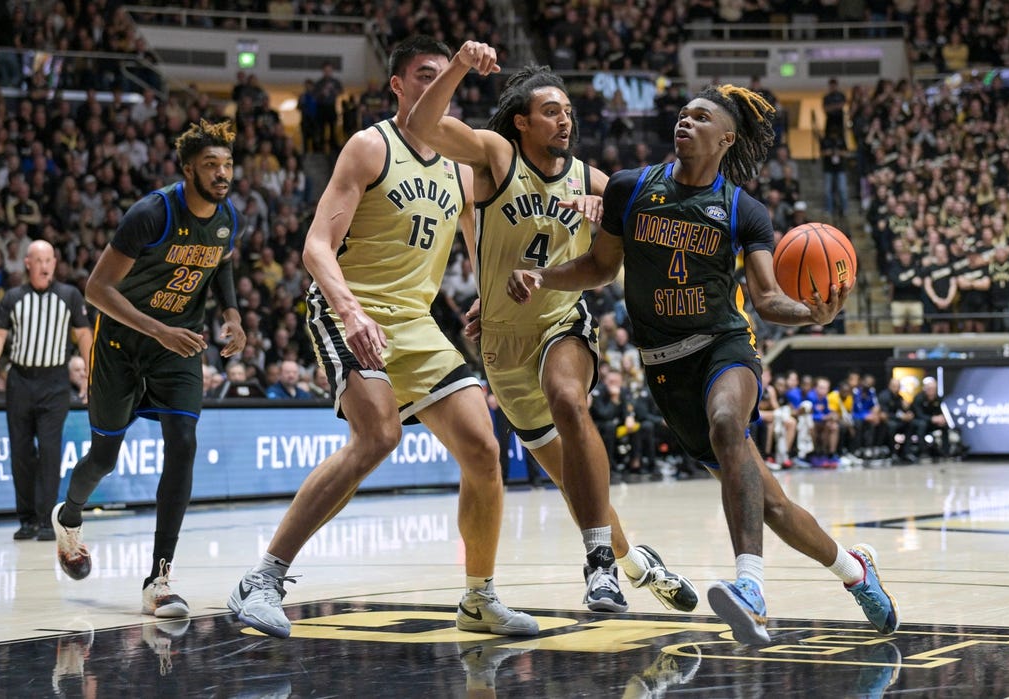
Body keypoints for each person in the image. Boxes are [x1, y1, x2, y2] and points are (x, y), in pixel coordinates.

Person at [507, 82, 899, 644]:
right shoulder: (630, 188)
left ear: (726, 137)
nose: (685, 122)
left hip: (724, 347)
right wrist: (541, 276)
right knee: (775, 507)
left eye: (700, 117)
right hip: (666, 368)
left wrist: (811, 315)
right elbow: (597, 266)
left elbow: (767, 299)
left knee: (725, 423)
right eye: (683, 114)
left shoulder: (745, 209)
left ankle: (751, 588)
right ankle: (856, 570)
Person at [226, 36, 537, 640]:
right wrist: (350, 313)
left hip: (417, 322)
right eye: (424, 75)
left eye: (442, 76)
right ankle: (261, 579)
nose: (434, 85)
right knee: (379, 435)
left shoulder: (457, 163)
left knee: (482, 448)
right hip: (350, 305)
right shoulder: (371, 146)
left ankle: (479, 598)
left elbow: (480, 243)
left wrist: (489, 298)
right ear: (398, 85)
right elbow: (317, 245)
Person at [406, 41, 697, 613]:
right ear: (522, 122)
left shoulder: (593, 181)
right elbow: (422, 124)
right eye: (550, 111)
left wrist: (609, 216)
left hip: (561, 322)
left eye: (568, 110)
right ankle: (636, 562)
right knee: (575, 482)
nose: (565, 119)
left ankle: (598, 566)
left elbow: (646, 236)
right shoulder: (494, 155)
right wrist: (462, 65)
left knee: (569, 399)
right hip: (503, 349)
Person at [51, 119, 246, 618]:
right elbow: (97, 289)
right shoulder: (151, 213)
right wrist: (158, 329)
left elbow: (222, 262)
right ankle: (68, 516)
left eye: (227, 164)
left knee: (183, 446)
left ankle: (159, 579)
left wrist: (232, 314)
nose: (222, 174)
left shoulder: (228, 217)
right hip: (120, 343)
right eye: (210, 165)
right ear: (187, 170)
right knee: (104, 457)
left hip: (178, 347)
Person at [0, 240, 92, 541]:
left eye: (49, 259)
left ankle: (46, 519)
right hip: (20, 381)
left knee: (50, 452)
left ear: (55, 262)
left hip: (54, 383)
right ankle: (26, 519)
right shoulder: (13, 297)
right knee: (21, 453)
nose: (45, 265)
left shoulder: (69, 295)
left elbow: (84, 334)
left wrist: (90, 375)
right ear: (27, 263)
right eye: (38, 259)